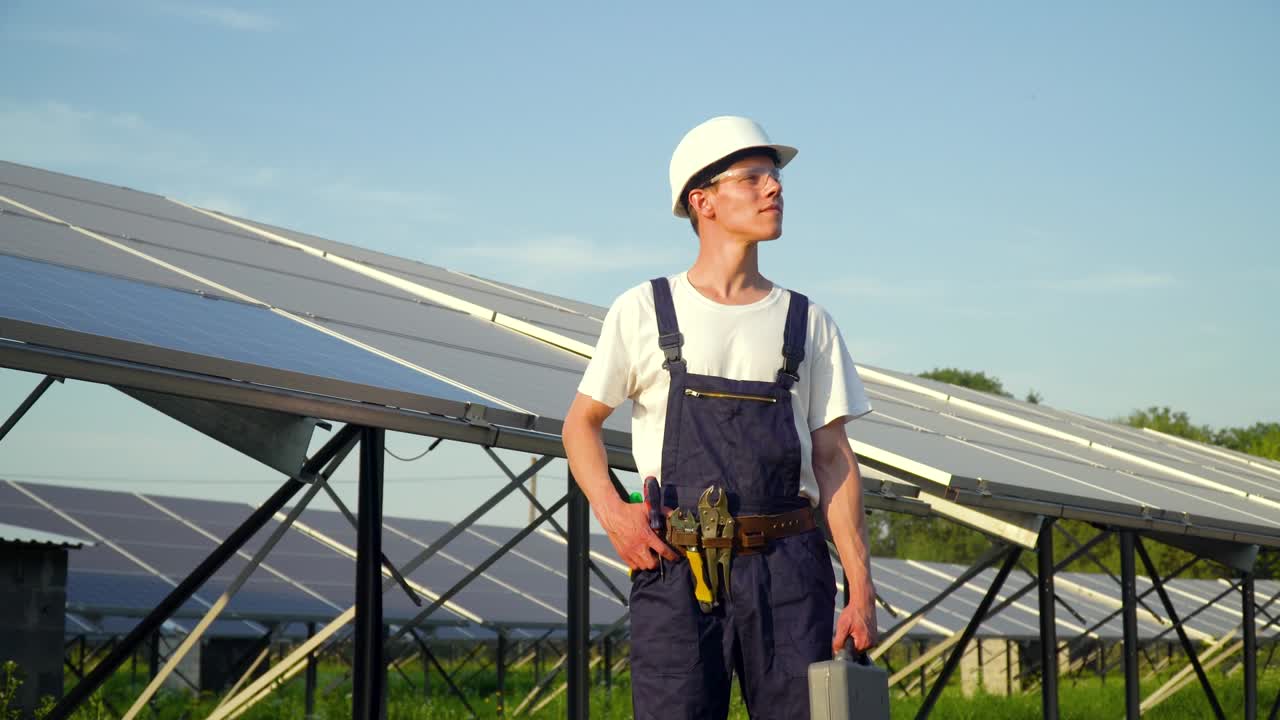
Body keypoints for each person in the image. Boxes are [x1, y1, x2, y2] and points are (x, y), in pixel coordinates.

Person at [562, 115, 877, 719]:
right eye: (754, 177)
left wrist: (860, 587)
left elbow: (834, 460)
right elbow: (580, 425)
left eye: (776, 177)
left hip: (789, 575)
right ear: (701, 201)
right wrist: (614, 513)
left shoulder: (807, 323)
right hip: (678, 571)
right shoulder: (644, 310)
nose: (774, 189)